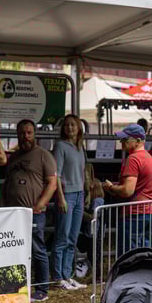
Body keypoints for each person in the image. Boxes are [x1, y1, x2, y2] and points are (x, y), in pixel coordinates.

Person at [1, 119, 57, 302]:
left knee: (37, 249)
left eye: (28, 133)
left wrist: (40, 204)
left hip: (33, 212)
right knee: (13, 249)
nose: (25, 136)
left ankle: (42, 289)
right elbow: (7, 183)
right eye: (22, 133)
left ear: (34, 134)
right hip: (12, 213)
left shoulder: (43, 155)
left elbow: (52, 183)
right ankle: (17, 285)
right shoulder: (14, 157)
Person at [103, 124, 152, 256]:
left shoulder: (133, 159)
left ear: (138, 141)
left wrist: (110, 187)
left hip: (133, 214)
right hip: (148, 212)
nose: (122, 142)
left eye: (126, 140)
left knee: (129, 256)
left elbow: (128, 191)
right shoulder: (149, 158)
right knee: (144, 254)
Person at [52, 114, 87, 290]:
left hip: (79, 194)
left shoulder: (80, 147)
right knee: (62, 237)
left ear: (79, 127)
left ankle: (68, 275)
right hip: (67, 195)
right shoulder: (60, 146)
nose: (70, 128)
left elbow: (83, 170)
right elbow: (56, 174)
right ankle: (58, 277)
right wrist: (60, 196)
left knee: (73, 238)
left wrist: (86, 190)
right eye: (67, 125)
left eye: (73, 125)